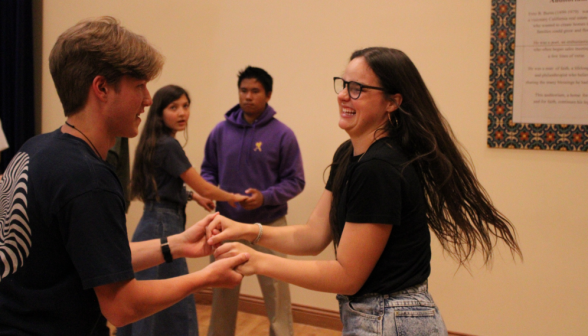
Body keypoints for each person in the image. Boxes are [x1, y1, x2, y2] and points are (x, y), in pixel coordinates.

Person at [206, 47, 522, 336]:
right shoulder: (348, 153)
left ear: (392, 102)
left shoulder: (380, 167)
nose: (343, 95)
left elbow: (347, 275)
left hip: (391, 319)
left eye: (357, 89)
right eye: (343, 85)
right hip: (372, 315)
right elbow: (313, 236)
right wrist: (247, 231)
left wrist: (258, 261)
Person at [0, 17, 249, 336]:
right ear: (102, 88)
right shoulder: (88, 178)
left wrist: (179, 244)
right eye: (139, 86)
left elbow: (99, 258)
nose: (148, 99)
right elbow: (122, 306)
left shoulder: (38, 148)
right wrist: (207, 277)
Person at [118, 85, 248, 336]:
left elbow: (164, 185)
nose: (182, 113)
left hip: (154, 222)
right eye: (173, 107)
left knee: (153, 301)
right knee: (165, 302)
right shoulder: (168, 145)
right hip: (163, 226)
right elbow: (205, 187)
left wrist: (192, 196)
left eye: (186, 106)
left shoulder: (156, 141)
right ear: (159, 112)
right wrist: (232, 197)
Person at [201, 66, 305, 336]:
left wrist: (265, 197)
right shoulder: (220, 131)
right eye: (243, 90)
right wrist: (212, 191)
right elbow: (208, 170)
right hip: (226, 225)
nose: (248, 96)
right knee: (222, 288)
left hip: (269, 226)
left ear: (268, 94)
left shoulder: (283, 135)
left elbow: (296, 180)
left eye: (255, 91)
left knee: (277, 292)